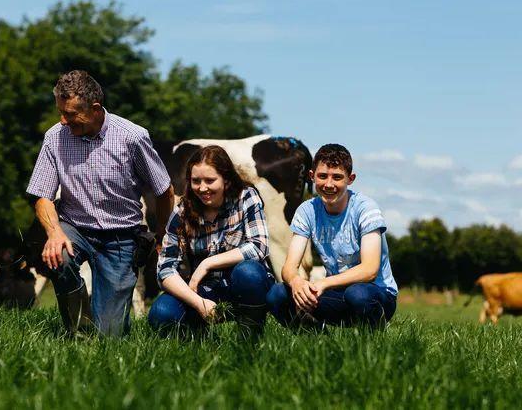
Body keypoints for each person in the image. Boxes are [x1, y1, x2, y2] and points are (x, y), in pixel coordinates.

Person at [26, 70, 174, 337]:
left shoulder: (133, 137)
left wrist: (162, 233)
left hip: (121, 238)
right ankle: (80, 333)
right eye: (60, 111)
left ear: (95, 109)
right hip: (75, 228)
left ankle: (106, 325)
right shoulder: (54, 137)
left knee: (111, 337)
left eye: (70, 114)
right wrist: (54, 232)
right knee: (58, 255)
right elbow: (41, 195)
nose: (63, 120)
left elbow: (164, 190)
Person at [147, 145, 274, 338]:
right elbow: (165, 270)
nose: (202, 188)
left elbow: (259, 246)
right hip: (202, 291)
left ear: (226, 180)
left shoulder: (246, 197)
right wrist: (198, 302)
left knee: (249, 271)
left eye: (210, 180)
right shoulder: (181, 212)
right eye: (196, 181)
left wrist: (207, 263)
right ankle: (203, 339)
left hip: (241, 285)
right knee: (161, 314)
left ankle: (250, 336)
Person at [266, 144, 398, 329]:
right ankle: (318, 344)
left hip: (376, 294)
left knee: (357, 294)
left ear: (350, 179)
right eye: (322, 176)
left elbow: (369, 270)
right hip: (335, 293)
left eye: (337, 177)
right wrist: (296, 282)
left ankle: (373, 340)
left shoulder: (366, 208)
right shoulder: (307, 210)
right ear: (312, 176)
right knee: (277, 293)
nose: (328, 184)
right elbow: (289, 266)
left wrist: (323, 283)